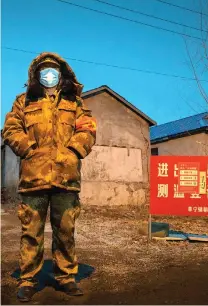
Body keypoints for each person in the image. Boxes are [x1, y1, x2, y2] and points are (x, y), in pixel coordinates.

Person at [2, 52, 96, 302]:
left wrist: (73, 152)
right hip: (34, 180)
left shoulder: (74, 102)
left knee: (65, 231)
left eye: (53, 69)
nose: (49, 73)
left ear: (62, 73)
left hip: (66, 179)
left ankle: (65, 277)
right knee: (31, 233)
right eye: (44, 69)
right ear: (36, 74)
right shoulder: (24, 101)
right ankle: (28, 280)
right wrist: (29, 150)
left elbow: (88, 128)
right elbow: (11, 129)